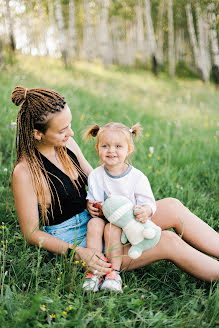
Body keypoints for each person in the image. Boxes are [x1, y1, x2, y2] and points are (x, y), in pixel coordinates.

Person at [11, 86, 219, 293]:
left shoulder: (68, 144)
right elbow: (31, 233)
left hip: (99, 220)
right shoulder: (25, 172)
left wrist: (107, 203)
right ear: (37, 133)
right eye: (62, 130)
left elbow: (96, 179)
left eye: (70, 125)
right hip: (75, 240)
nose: (71, 133)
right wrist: (79, 253)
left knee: (173, 207)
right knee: (168, 241)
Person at [82, 122, 160, 292]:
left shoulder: (137, 177)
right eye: (105, 146)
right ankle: (94, 271)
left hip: (128, 223)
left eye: (118, 146)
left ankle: (113, 273)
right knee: (93, 224)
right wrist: (92, 206)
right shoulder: (96, 175)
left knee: (112, 228)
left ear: (128, 149)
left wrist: (145, 211)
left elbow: (149, 203)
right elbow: (93, 199)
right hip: (103, 218)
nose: (111, 150)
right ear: (97, 148)